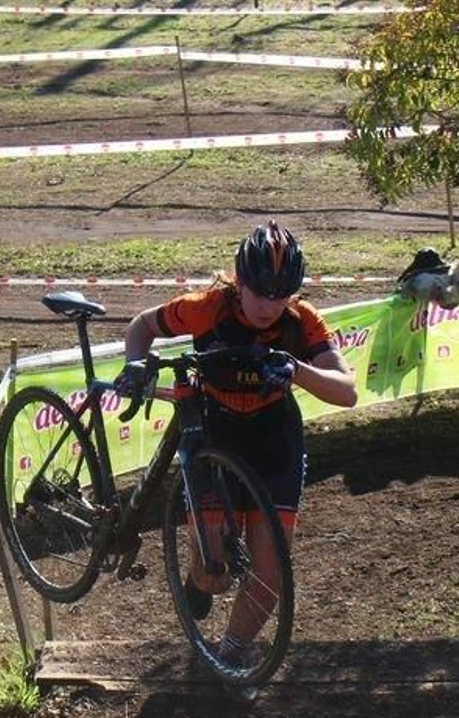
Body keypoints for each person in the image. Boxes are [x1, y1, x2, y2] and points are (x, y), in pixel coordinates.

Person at [117, 221, 358, 665]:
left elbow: (347, 391)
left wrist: (296, 370)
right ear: (239, 281)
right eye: (260, 292)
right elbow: (141, 327)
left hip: (273, 442)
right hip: (216, 436)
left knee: (269, 575)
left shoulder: (301, 322)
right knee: (215, 574)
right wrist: (135, 365)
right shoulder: (207, 308)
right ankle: (201, 578)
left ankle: (232, 653)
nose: (269, 306)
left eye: (280, 294)